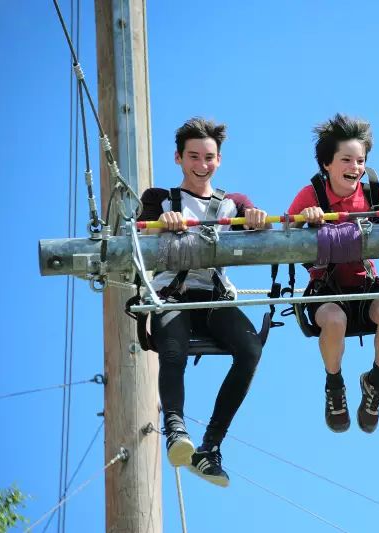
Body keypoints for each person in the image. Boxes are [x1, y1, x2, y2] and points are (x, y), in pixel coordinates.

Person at [138, 117, 268, 487]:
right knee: (173, 349)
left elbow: (266, 231)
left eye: (209, 157)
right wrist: (162, 222)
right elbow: (133, 236)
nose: (202, 165)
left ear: (219, 160)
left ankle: (210, 447)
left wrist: (258, 221)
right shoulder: (158, 199)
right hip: (173, 296)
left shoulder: (233, 204)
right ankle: (176, 429)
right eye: (193, 156)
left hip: (213, 298)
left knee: (250, 350)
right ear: (178, 158)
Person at [288, 113, 379, 434]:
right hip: (326, 290)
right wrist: (305, 219)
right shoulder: (310, 195)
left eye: (360, 160)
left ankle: (375, 382)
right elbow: (284, 234)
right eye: (346, 160)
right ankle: (334, 385)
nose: (355, 167)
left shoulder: (372, 192)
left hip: (366, 285)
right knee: (334, 321)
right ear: (327, 164)